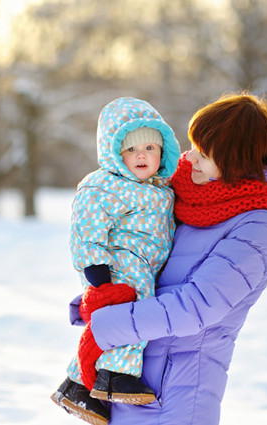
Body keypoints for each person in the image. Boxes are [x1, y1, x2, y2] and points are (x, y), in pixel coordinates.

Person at [74, 92, 267, 425]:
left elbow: (197, 306)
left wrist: (109, 324)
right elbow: (152, 264)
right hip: (130, 374)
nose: (191, 158)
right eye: (194, 146)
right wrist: (105, 295)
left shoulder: (259, 224)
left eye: (205, 153)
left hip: (177, 393)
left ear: (234, 162)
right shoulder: (191, 197)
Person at [51, 97, 181, 424]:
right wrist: (96, 270)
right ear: (114, 154)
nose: (141, 155)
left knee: (116, 322)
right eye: (130, 149)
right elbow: (85, 228)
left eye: (150, 148)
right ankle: (114, 374)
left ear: (163, 152)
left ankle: (77, 386)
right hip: (117, 264)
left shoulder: (163, 188)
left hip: (147, 266)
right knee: (133, 313)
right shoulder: (104, 186)